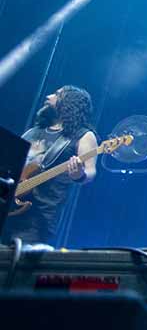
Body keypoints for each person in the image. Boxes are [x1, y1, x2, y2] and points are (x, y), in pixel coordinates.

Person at [3, 85, 98, 246]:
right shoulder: (33, 132)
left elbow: (90, 171)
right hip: (8, 206)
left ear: (70, 102)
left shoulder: (83, 136)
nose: (48, 96)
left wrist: (79, 175)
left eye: (57, 94)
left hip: (38, 216)